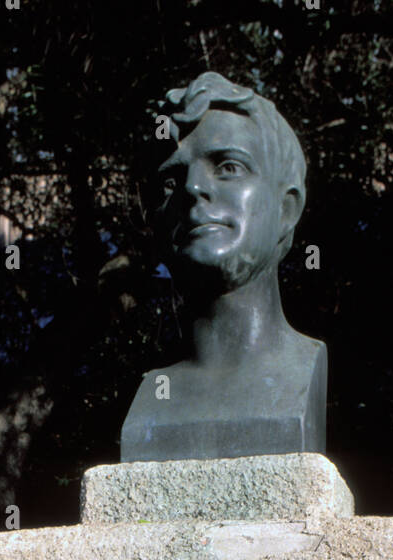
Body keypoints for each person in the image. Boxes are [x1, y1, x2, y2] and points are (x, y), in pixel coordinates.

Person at [121, 72, 326, 462]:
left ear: (287, 209)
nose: (193, 187)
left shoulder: (303, 375)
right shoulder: (154, 394)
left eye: (229, 166)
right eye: (170, 180)